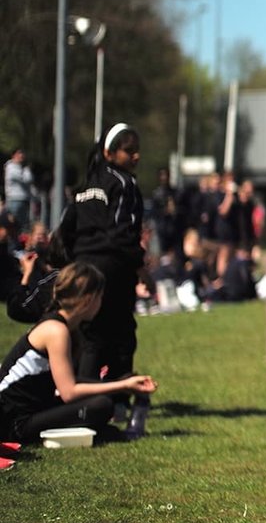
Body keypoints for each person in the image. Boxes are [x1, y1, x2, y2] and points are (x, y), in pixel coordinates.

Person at [56, 123, 152, 437]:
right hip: (112, 268)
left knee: (90, 337)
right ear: (109, 152)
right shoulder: (123, 183)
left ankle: (82, 408)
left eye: (137, 148)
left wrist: (74, 262)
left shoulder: (86, 187)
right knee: (122, 333)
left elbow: (65, 231)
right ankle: (117, 402)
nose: (136, 155)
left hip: (84, 267)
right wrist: (141, 267)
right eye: (129, 149)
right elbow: (123, 233)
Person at [0, 261, 158, 445]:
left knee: (102, 404)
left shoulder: (68, 328)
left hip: (33, 410)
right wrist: (122, 385)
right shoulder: (56, 331)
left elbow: (71, 380)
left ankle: (98, 433)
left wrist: (124, 382)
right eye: (100, 297)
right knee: (101, 406)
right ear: (88, 299)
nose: (101, 302)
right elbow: (69, 392)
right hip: (12, 421)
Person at [5, 148, 36, 225]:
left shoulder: (23, 168)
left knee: (23, 225)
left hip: (25, 200)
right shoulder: (10, 167)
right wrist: (26, 171)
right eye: (19, 153)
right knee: (13, 224)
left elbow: (30, 179)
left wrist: (26, 170)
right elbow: (26, 179)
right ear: (13, 155)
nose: (21, 155)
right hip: (14, 200)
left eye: (22, 153)